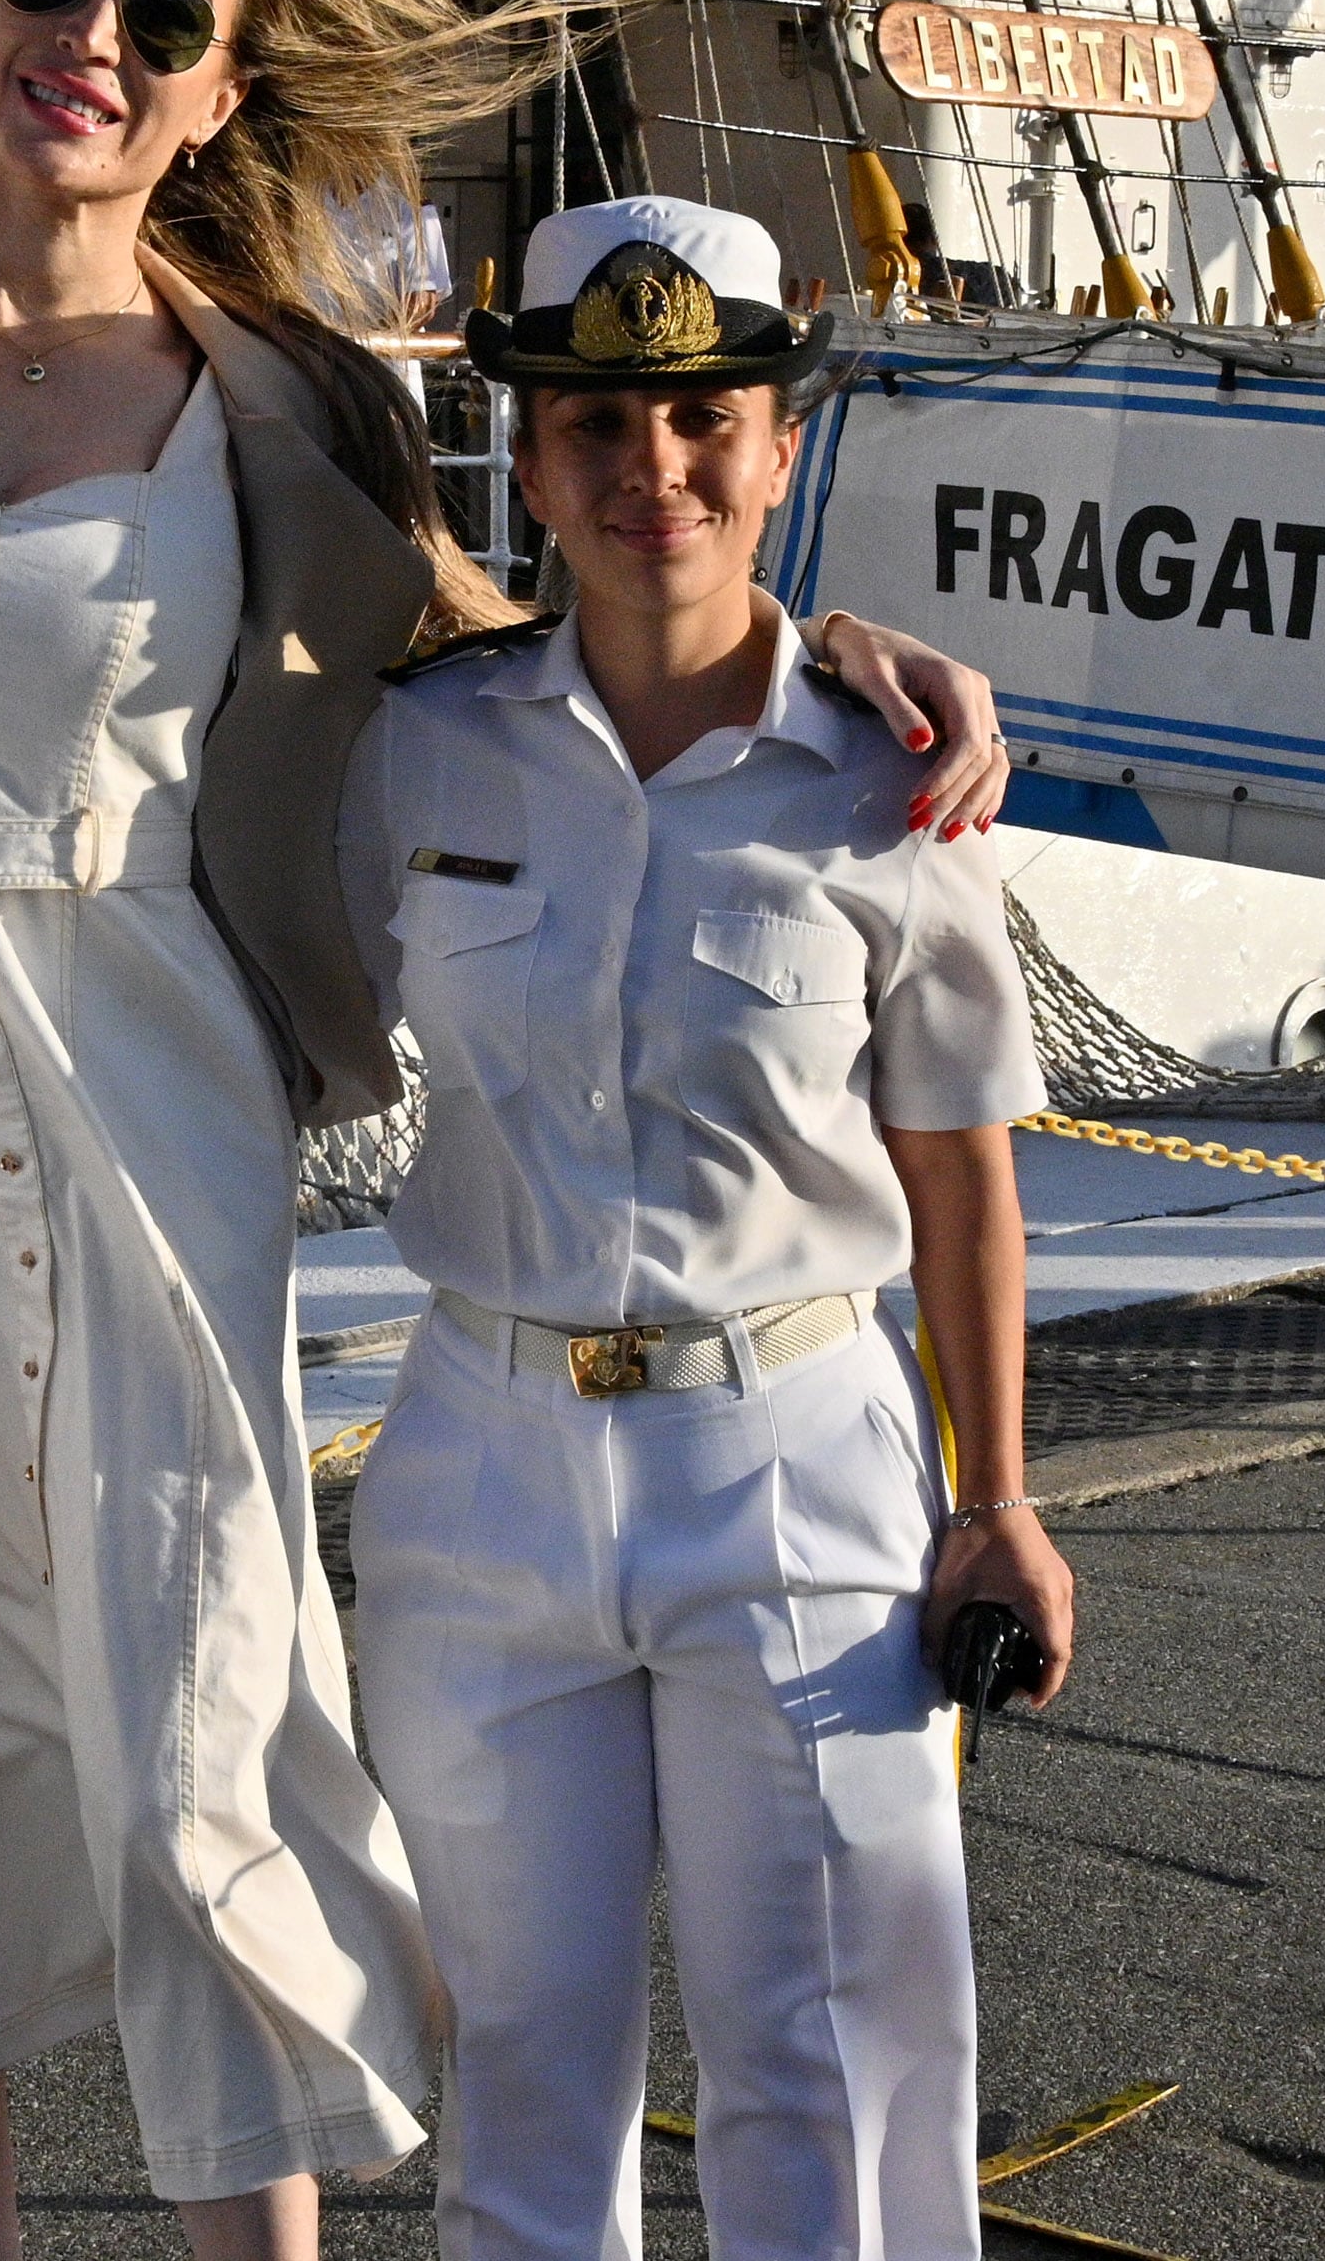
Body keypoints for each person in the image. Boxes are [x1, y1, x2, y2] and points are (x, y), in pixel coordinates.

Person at [0, 0, 1014, 2261]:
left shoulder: (284, 395)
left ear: (222, 86)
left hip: (145, 1078)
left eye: (162, 10)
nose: (90, 35)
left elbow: (514, 653)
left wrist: (830, 651)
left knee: (201, 1677)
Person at [336, 195, 1077, 2261]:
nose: (651, 470)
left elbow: (959, 1173)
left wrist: (997, 1500)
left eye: (702, 421)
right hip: (485, 1461)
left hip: (798, 1457)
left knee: (831, 2070)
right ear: (534, 459)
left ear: (774, 446)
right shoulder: (419, 747)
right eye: (597, 426)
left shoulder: (888, 780)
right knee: (524, 2073)